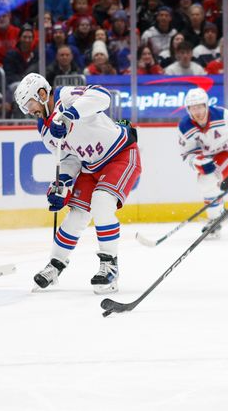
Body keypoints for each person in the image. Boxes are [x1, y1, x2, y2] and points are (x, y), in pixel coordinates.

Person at [14, 73, 142, 294]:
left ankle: (110, 265)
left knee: (102, 203)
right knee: (76, 215)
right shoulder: (44, 129)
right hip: (90, 166)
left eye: (30, 104)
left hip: (120, 154)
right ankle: (55, 264)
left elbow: (102, 96)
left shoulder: (66, 97)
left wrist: (68, 115)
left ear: (42, 94)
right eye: (24, 108)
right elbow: (68, 158)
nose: (29, 111)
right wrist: (62, 184)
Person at [177, 88, 228, 237]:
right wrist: (198, 162)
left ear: (206, 105)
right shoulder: (185, 126)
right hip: (211, 157)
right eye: (193, 108)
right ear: (188, 110)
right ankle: (217, 216)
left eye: (200, 107)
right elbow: (187, 153)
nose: (197, 112)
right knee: (205, 182)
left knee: (207, 181)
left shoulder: (223, 116)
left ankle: (216, 218)